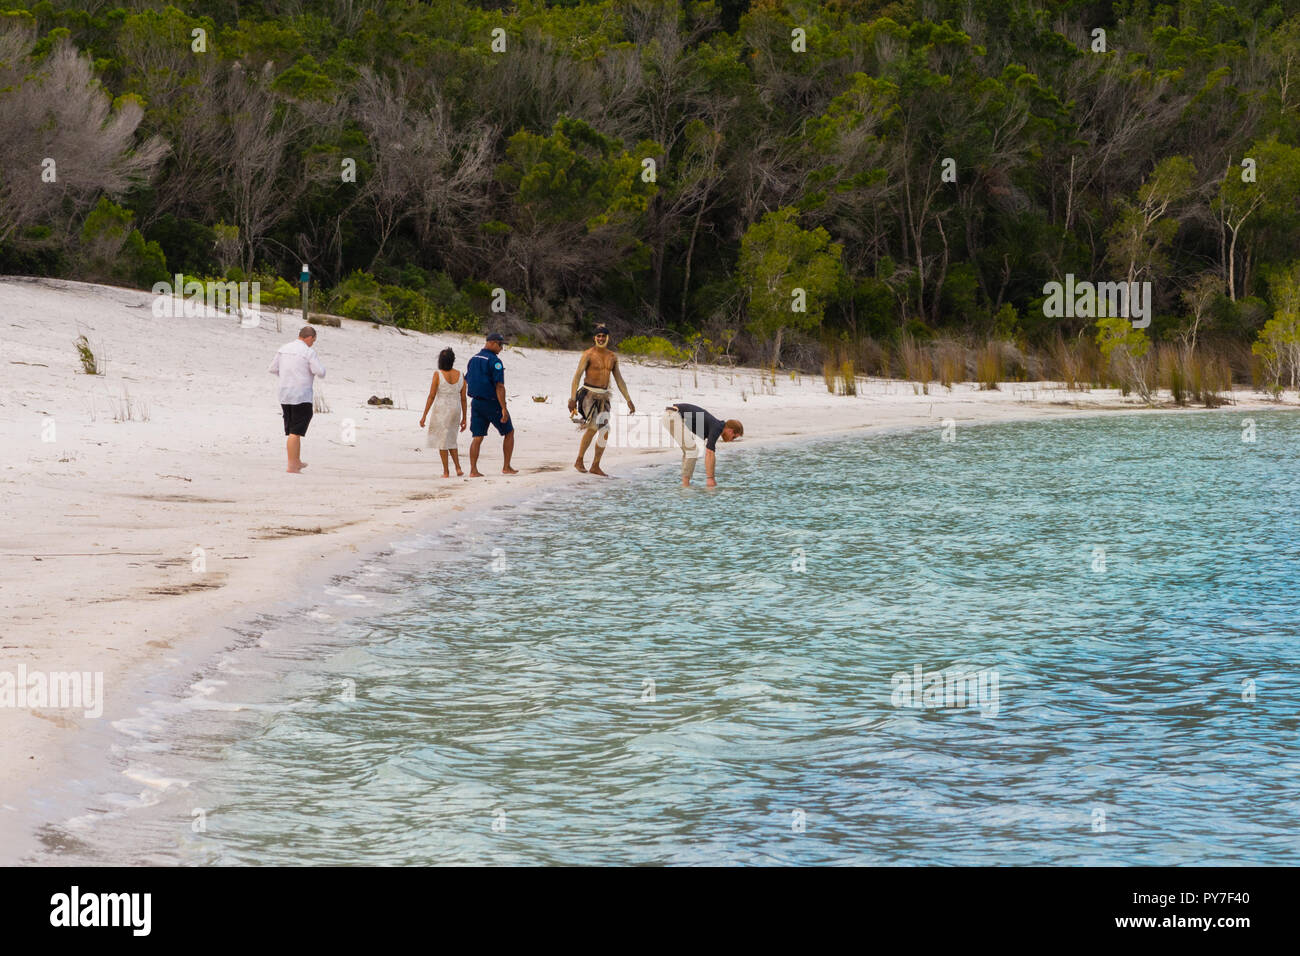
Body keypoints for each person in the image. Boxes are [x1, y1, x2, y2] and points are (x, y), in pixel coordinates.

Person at [567, 324, 635, 476]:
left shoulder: (612, 357)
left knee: (604, 430)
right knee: (592, 427)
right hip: (588, 395)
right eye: (598, 336)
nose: (601, 338)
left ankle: (595, 465)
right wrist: (572, 398)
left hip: (604, 396)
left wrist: (629, 400)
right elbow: (577, 376)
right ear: (594, 338)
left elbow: (619, 380)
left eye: (604, 336)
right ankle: (579, 460)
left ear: (608, 338)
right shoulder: (588, 354)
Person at [268, 325, 326, 474]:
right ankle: (292, 465)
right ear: (309, 337)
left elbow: (272, 369)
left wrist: (287, 376)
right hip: (301, 394)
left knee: (292, 430)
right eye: (313, 340)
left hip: (284, 393)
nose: (313, 343)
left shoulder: (284, 348)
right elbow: (320, 372)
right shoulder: (308, 352)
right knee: (296, 430)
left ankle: (296, 461)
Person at [465, 332, 517, 477]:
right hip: (492, 403)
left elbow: (467, 379)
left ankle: (473, 470)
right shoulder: (495, 361)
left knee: (477, 437)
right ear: (492, 343)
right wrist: (503, 408)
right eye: (500, 345)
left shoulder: (473, 359)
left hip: (476, 403)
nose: (502, 348)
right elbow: (499, 386)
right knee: (509, 432)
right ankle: (506, 467)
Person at [662, 402, 742, 488]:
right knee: (692, 451)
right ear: (730, 430)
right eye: (733, 437)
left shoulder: (716, 425)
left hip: (672, 415)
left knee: (690, 451)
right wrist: (710, 479)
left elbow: (710, 453)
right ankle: (685, 486)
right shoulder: (717, 427)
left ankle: (685, 485)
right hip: (672, 415)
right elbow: (709, 453)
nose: (731, 440)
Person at [419, 346, 468, 477]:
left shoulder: (438, 374)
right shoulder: (461, 375)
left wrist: (424, 416)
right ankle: (458, 468)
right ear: (453, 360)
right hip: (455, 409)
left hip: (441, 410)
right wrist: (465, 418)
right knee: (451, 439)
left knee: (442, 441)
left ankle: (446, 471)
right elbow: (463, 399)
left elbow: (431, 396)